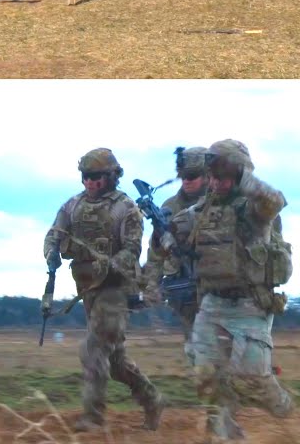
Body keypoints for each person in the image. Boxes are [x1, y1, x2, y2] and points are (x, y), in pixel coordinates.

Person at [155, 140, 293, 440]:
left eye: (224, 176)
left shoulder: (255, 209)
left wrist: (242, 176)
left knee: (253, 377)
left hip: (250, 306)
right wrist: (163, 235)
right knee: (206, 374)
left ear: (239, 174)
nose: (216, 183)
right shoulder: (199, 212)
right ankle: (225, 434)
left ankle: (282, 406)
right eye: (213, 176)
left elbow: (276, 201)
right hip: (211, 304)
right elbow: (173, 242)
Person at [43, 148, 165, 432]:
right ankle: (152, 398)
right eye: (85, 176)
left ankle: (93, 419)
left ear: (111, 176)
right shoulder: (73, 206)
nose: (89, 182)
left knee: (93, 350)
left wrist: (109, 266)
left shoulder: (125, 208)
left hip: (115, 289)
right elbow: (54, 234)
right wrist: (51, 253)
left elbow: (132, 249)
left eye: (96, 176)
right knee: (115, 361)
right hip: (88, 290)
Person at [140, 146, 207, 363]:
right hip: (184, 293)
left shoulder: (220, 205)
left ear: (208, 175)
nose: (186, 180)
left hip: (218, 288)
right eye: (182, 176)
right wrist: (150, 284)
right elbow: (155, 253)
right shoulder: (169, 206)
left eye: (192, 176)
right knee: (195, 351)